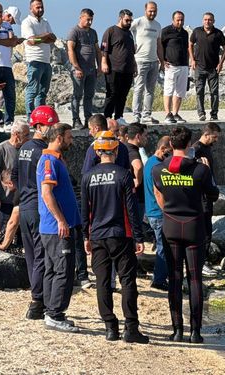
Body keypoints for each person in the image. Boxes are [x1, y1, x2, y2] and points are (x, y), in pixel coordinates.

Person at [152, 126, 219, 344]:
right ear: (189, 144)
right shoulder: (200, 170)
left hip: (170, 225)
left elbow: (159, 192)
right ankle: (196, 332)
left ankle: (177, 330)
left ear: (171, 145)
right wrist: (206, 172)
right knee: (195, 279)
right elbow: (213, 195)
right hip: (193, 226)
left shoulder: (158, 170)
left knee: (174, 279)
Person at [81, 130, 149, 343]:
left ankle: (110, 327)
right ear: (117, 149)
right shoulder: (123, 174)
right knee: (127, 281)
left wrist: (85, 236)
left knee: (102, 282)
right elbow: (131, 209)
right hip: (121, 234)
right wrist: (139, 237)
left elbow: (85, 210)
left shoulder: (88, 177)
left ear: (97, 151)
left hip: (98, 235)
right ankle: (131, 328)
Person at [13, 105, 58, 320]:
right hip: (39, 207)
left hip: (25, 206)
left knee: (32, 256)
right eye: (50, 125)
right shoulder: (43, 151)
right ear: (39, 126)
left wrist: (25, 189)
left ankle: (36, 297)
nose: (53, 129)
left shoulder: (24, 148)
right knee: (41, 256)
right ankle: (37, 301)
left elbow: (12, 175)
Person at [36, 122, 81, 332]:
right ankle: (54, 314)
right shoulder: (49, 161)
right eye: (69, 137)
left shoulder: (55, 160)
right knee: (63, 270)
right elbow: (46, 193)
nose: (72, 140)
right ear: (59, 138)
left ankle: (51, 311)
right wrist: (61, 220)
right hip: (56, 228)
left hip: (55, 227)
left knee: (54, 269)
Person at [191, 122, 221, 276]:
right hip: (201, 196)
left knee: (207, 228)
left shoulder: (207, 148)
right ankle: (200, 263)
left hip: (207, 195)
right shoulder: (196, 150)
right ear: (206, 134)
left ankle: (204, 260)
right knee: (204, 230)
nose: (216, 140)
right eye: (214, 137)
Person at [188, 12, 225, 121]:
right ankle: (201, 113)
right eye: (205, 19)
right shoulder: (197, 31)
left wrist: (221, 63)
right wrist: (192, 60)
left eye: (210, 20)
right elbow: (190, 44)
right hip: (199, 67)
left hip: (213, 68)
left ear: (213, 21)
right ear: (202, 21)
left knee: (214, 92)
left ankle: (214, 114)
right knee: (199, 91)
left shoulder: (218, 33)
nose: (207, 21)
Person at [143, 135, 170, 291]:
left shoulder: (150, 163)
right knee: (163, 247)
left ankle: (160, 276)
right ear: (162, 148)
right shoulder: (156, 166)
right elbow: (158, 192)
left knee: (162, 246)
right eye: (169, 151)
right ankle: (159, 279)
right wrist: (167, 211)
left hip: (152, 211)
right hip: (158, 212)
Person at [21, 0, 56, 119]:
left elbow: (53, 39)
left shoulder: (45, 22)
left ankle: (39, 117)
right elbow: (31, 41)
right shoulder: (27, 22)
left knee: (42, 92)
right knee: (32, 90)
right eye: (37, 7)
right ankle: (30, 117)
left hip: (46, 61)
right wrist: (45, 36)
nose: (40, 9)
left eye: (42, 7)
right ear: (31, 9)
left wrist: (40, 38)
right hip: (34, 60)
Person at [66, 8, 101, 130]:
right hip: (79, 70)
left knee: (89, 95)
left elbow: (97, 50)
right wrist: (76, 67)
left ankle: (88, 119)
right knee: (77, 94)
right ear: (81, 17)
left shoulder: (93, 32)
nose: (90, 22)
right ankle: (76, 120)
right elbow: (70, 50)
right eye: (88, 19)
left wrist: (100, 66)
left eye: (91, 20)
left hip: (91, 70)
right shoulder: (74, 31)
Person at [101, 9, 136, 126]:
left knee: (123, 95)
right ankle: (106, 117)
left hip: (128, 69)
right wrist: (104, 62)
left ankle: (119, 116)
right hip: (114, 69)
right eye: (127, 20)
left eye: (131, 20)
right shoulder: (111, 31)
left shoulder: (129, 33)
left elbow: (132, 51)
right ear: (120, 18)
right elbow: (104, 49)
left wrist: (134, 65)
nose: (129, 22)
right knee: (112, 93)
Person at [0, 120, 28, 233]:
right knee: (4, 231)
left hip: (22, 199)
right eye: (26, 135)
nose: (29, 137)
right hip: (5, 199)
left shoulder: (26, 149)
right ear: (16, 134)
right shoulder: (1, 149)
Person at [131, 1, 163, 125]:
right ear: (145, 10)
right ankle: (136, 115)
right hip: (140, 61)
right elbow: (126, 30)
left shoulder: (158, 25)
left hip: (154, 62)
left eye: (154, 11)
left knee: (150, 89)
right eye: (150, 10)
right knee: (138, 88)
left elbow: (159, 44)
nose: (152, 13)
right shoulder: (138, 22)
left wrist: (162, 61)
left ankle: (147, 114)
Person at [0, 2, 23, 125]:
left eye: (0, 11)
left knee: (10, 94)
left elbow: (13, 41)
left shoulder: (7, 25)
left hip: (6, 65)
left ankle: (8, 121)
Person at [160, 11, 188, 125]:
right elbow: (159, 46)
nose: (180, 22)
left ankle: (175, 113)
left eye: (182, 20)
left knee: (180, 91)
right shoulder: (166, 31)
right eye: (178, 20)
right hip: (171, 65)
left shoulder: (185, 33)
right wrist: (161, 60)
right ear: (173, 20)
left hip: (183, 65)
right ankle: (168, 114)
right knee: (169, 90)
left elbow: (187, 48)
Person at [126, 123, 147, 221]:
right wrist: (137, 181)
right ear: (138, 136)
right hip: (137, 198)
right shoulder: (132, 151)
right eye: (145, 136)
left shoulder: (124, 148)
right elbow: (138, 166)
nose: (146, 139)